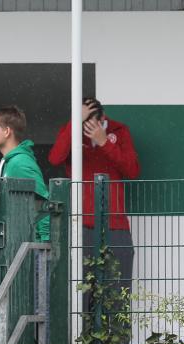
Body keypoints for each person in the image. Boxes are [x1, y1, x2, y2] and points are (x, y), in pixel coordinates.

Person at [48, 98, 140, 324]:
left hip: (115, 224)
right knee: (81, 292)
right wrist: (73, 124)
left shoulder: (119, 130)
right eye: (83, 123)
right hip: (81, 225)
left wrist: (104, 142)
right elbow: (55, 158)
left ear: (102, 118)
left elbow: (132, 170)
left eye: (92, 123)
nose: (88, 129)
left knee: (118, 293)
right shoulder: (71, 132)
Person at [0, 106, 49, 344]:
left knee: (11, 302)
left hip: (29, 246)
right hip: (17, 245)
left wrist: (40, 243)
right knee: (2, 301)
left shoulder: (20, 162)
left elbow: (41, 201)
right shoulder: (11, 161)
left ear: (7, 131)